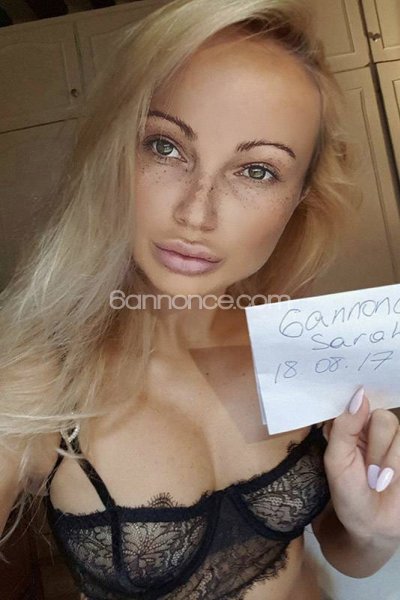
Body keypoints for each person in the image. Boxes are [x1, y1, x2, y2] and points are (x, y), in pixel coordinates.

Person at [1, 0, 399, 599]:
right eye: (165, 147)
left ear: (300, 196)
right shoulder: (34, 381)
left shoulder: (299, 342)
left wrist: (374, 531)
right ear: (114, 152)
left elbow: (342, 548)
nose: (196, 212)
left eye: (257, 171)